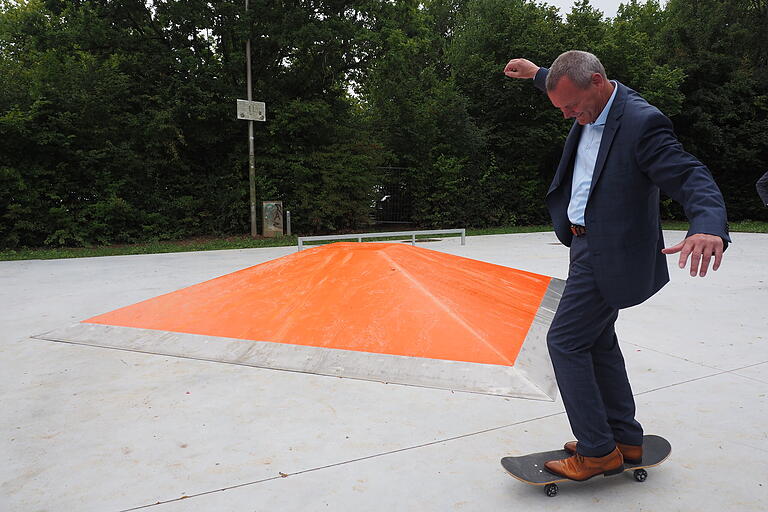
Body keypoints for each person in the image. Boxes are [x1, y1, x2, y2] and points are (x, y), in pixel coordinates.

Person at [503, 51, 730, 481]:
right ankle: (624, 437)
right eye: (563, 109)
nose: (570, 115)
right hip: (583, 244)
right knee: (597, 341)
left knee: (565, 342)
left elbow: (690, 175)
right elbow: (562, 83)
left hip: (610, 253)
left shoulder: (642, 123)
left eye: (573, 107)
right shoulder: (581, 93)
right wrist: (537, 74)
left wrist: (709, 226)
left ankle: (596, 451)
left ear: (598, 82)